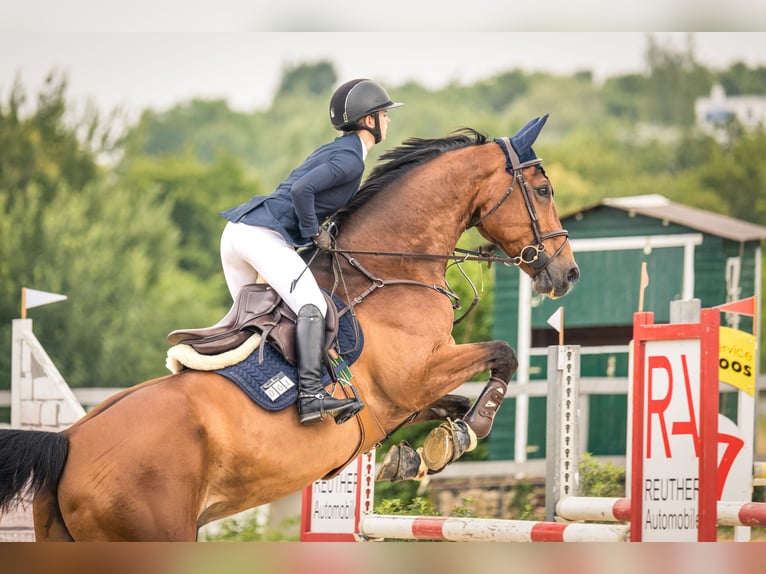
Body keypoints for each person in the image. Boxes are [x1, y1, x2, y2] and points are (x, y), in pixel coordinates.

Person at [218, 79, 404, 425]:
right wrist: (312, 233)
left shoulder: (337, 150)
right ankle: (311, 396)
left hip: (238, 233)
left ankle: (249, 400)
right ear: (368, 121)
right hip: (261, 236)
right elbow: (303, 190)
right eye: (384, 114)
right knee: (313, 306)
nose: (388, 121)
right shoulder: (351, 160)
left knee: (255, 323)